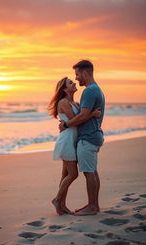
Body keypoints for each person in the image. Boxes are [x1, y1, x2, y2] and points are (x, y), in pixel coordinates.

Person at [48, 77, 100, 215]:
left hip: (73, 140)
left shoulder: (74, 103)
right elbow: (74, 121)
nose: (74, 83)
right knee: (73, 174)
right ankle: (57, 200)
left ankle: (62, 205)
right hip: (66, 141)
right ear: (64, 89)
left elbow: (78, 118)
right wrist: (92, 114)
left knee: (65, 174)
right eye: (70, 83)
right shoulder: (63, 102)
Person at [59, 60, 105, 216]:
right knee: (92, 171)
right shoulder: (95, 89)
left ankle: (92, 206)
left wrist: (65, 125)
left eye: (77, 74)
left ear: (85, 73)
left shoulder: (90, 91)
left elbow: (83, 116)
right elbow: (84, 114)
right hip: (94, 135)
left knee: (89, 173)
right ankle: (94, 205)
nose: (77, 78)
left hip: (88, 137)